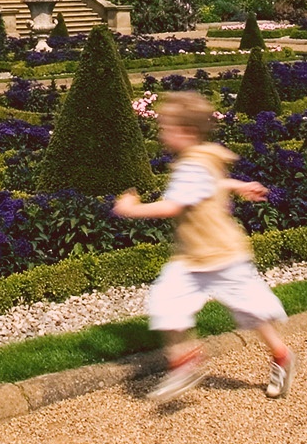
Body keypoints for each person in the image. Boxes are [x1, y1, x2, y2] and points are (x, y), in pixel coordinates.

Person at [112, 91, 296, 402]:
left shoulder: (192, 165)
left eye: (166, 128)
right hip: (194, 257)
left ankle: (281, 356)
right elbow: (213, 184)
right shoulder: (202, 157)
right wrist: (238, 185)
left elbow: (172, 206)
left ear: (186, 132)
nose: (161, 134)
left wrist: (131, 209)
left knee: (251, 311)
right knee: (168, 301)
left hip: (223, 255)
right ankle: (184, 361)